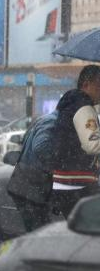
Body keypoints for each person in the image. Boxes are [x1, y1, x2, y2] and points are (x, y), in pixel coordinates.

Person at [10, 65, 100, 232]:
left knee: (47, 233)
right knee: (41, 233)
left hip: (40, 187)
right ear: (86, 85)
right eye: (98, 85)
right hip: (33, 188)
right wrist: (65, 161)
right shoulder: (56, 120)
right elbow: (42, 149)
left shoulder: (68, 114)